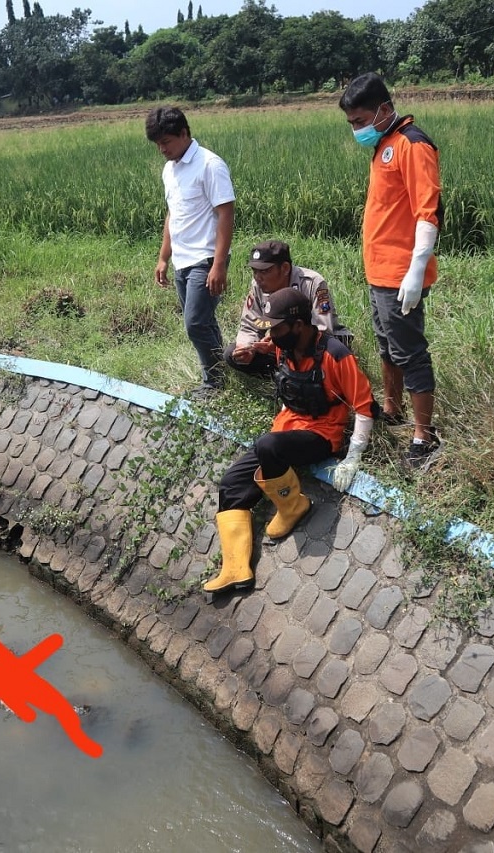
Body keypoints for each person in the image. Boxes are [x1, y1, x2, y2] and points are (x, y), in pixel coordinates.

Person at [204, 289, 376, 594]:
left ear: (298, 324)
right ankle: (235, 569)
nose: (271, 334)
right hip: (285, 431)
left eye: (277, 327)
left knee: (268, 446)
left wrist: (353, 458)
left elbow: (364, 407)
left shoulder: (336, 355)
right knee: (231, 482)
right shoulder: (285, 346)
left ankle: (293, 506)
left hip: (322, 436)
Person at [339, 72, 445, 469]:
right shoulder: (385, 142)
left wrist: (416, 271)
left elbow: (427, 212)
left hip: (401, 274)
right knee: (387, 346)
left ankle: (424, 436)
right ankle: (392, 408)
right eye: (352, 124)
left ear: (384, 109)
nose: (357, 130)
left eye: (360, 121)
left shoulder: (413, 145)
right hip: (379, 271)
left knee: (410, 353)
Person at [146, 106, 235, 395]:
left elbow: (226, 213)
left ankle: (214, 383)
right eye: (158, 144)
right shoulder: (169, 170)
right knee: (203, 321)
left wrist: (219, 265)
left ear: (184, 133)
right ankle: (220, 375)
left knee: (195, 323)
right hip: (182, 260)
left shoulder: (210, 164)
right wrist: (163, 257)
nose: (162, 149)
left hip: (206, 259)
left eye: (166, 142)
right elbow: (172, 214)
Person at [225, 239, 354, 378]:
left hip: (316, 343)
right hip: (282, 340)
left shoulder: (312, 283)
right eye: (254, 271)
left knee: (327, 354)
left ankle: (308, 377)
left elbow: (323, 329)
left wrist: (279, 344)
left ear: (285, 268)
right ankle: (284, 378)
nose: (258, 277)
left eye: (265, 271)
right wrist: (246, 348)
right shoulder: (258, 286)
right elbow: (250, 325)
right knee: (231, 354)